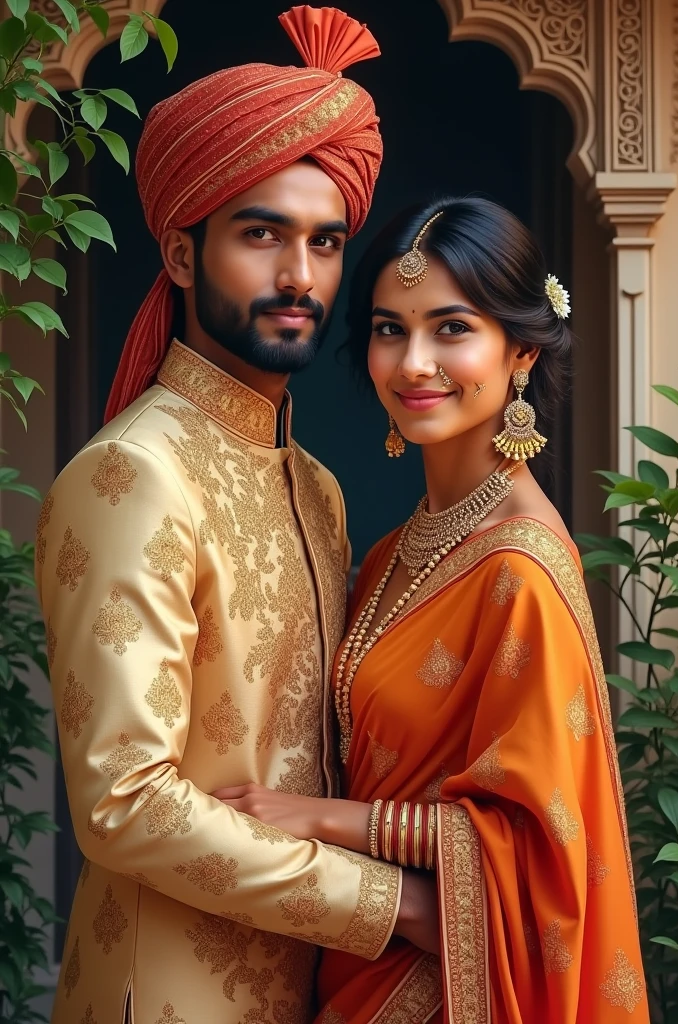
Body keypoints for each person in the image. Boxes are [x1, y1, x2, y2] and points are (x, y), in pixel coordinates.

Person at [36, 9, 437, 1023]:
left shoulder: (316, 487)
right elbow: (124, 802)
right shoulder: (131, 474)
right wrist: (391, 903)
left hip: (310, 987)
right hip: (168, 994)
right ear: (180, 253)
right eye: (262, 234)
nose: (300, 277)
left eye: (325, 242)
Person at [212, 197, 650, 1023]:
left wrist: (322, 819)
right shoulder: (393, 551)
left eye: (451, 329)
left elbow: (536, 848)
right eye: (389, 328)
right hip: (362, 962)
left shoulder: (518, 570)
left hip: (445, 987)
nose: (413, 362)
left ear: (520, 349)